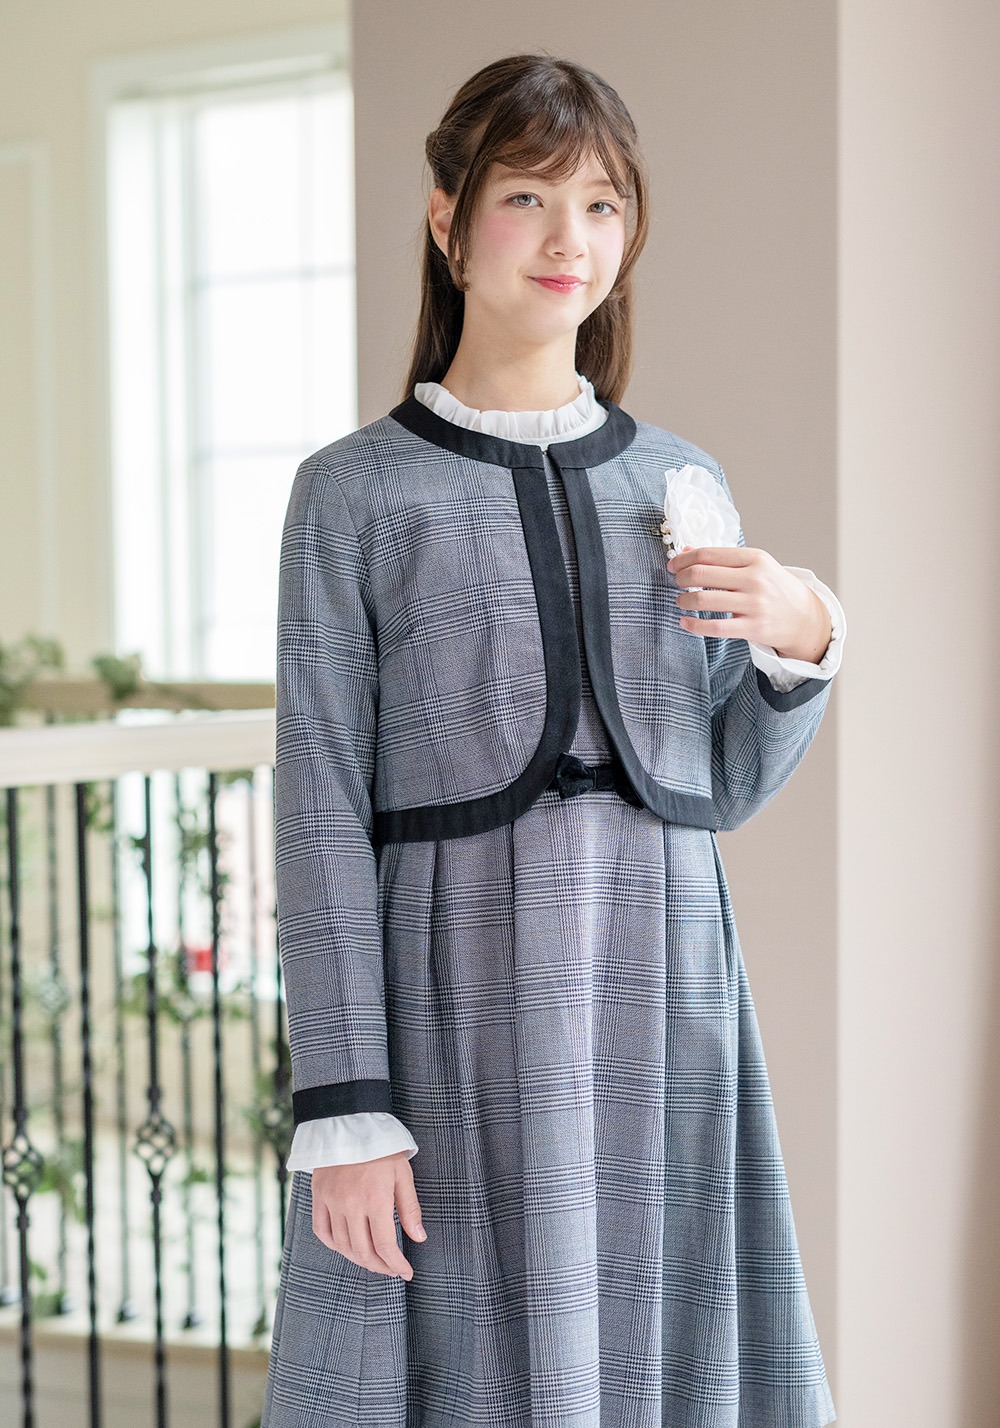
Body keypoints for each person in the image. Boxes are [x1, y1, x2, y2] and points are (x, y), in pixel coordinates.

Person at [261, 52, 843, 1428]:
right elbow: (318, 802)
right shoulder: (352, 495)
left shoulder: (677, 478)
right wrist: (345, 1107)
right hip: (454, 978)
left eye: (601, 204)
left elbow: (719, 782)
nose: (569, 238)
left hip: (662, 971)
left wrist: (804, 636)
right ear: (449, 220)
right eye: (527, 197)